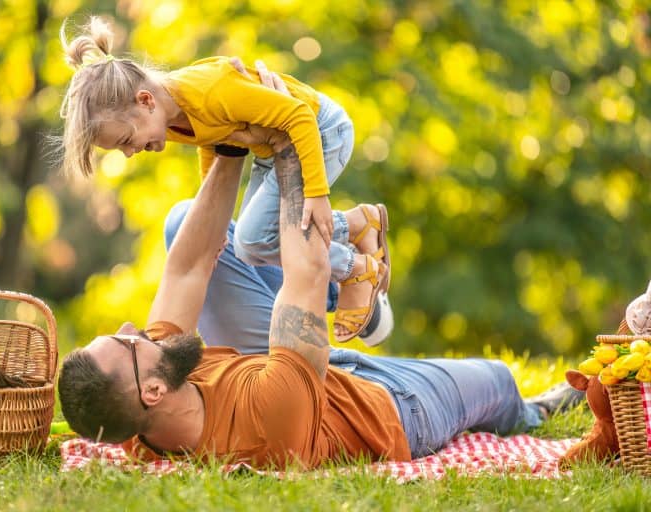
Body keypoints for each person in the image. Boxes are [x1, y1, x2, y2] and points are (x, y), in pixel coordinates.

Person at [58, 111, 583, 468]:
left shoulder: (143, 416)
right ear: (151, 391)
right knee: (496, 382)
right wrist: (287, 141)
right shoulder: (269, 419)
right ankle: (534, 411)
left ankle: (358, 274)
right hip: (391, 407)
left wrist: (230, 141)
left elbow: (189, 266)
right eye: (126, 343)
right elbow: (302, 272)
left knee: (183, 224)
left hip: (305, 364)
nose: (132, 329)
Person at [58, 16, 385, 342]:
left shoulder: (209, 92)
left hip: (320, 130)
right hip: (271, 149)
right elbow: (209, 144)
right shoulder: (167, 117)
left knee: (254, 239)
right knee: (249, 248)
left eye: (126, 140)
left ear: (145, 101)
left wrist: (317, 194)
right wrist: (213, 222)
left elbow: (298, 115)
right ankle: (357, 224)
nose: (130, 153)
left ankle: (356, 269)